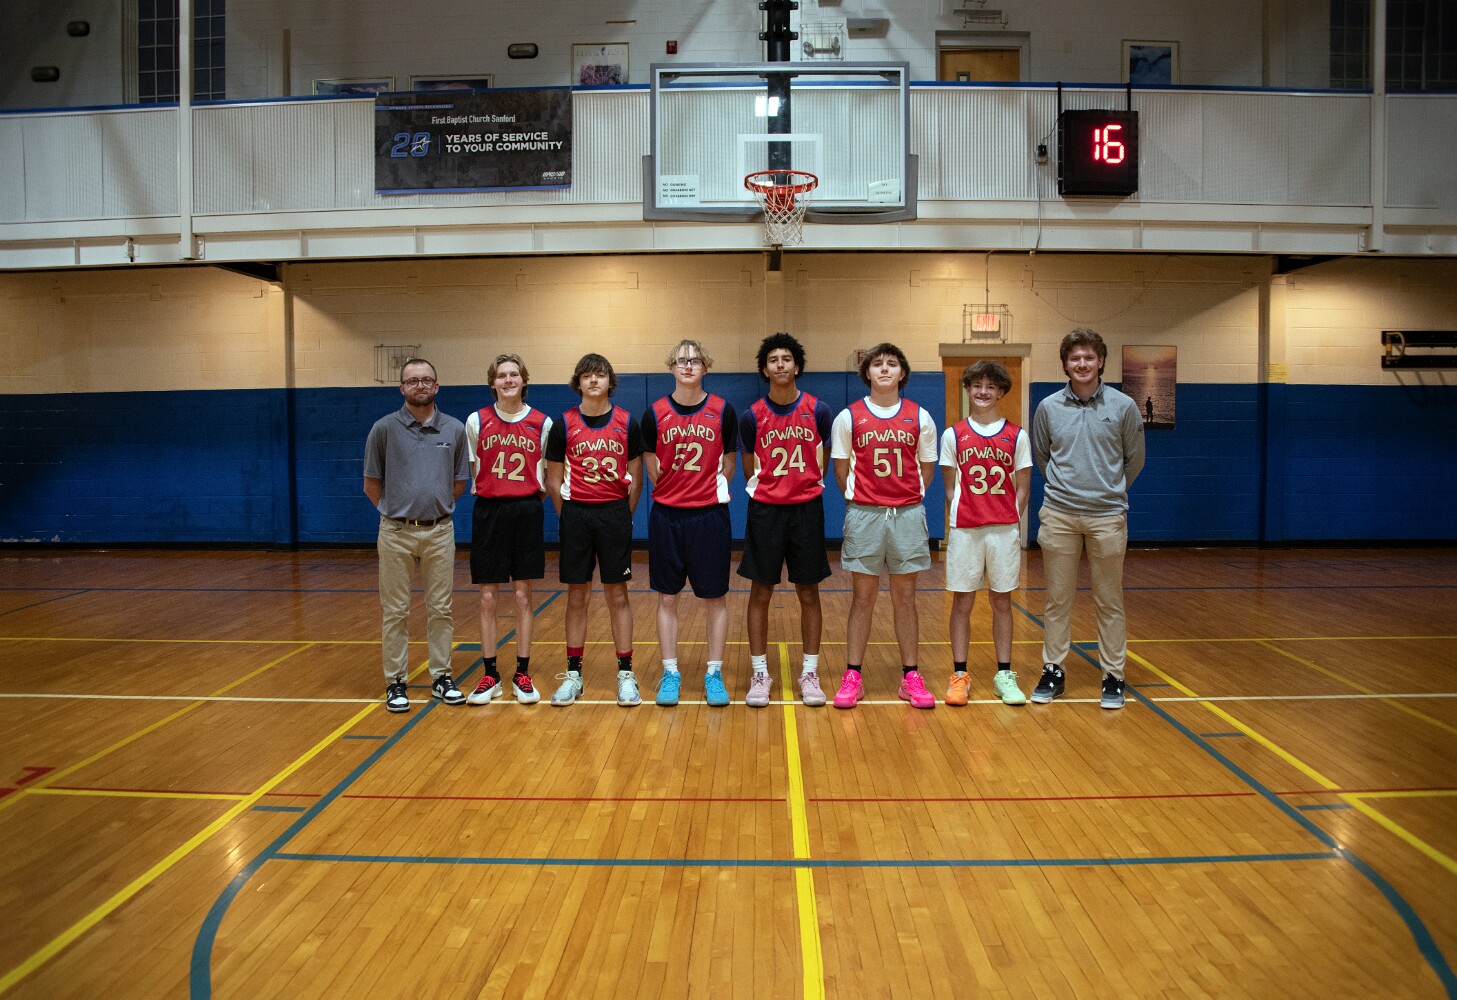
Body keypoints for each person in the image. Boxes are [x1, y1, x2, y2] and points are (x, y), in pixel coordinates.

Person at [1031, 328, 1146, 710]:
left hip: (1107, 518)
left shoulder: (1124, 406)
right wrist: (1066, 491)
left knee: (1109, 600)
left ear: (1101, 362)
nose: (1082, 364)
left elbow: (1135, 459)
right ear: (1065, 364)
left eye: (1089, 357)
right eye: (1075, 358)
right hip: (1059, 516)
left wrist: (1108, 491)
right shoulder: (1048, 407)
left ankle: (1113, 675)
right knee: (1057, 600)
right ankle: (1053, 670)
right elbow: (1043, 456)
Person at [830, 342, 939, 710]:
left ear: (902, 373)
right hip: (864, 514)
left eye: (892, 363)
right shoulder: (849, 417)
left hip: (907, 514)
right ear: (868, 373)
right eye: (877, 364)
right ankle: (853, 676)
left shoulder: (920, 416)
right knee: (862, 598)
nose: (885, 369)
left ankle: (911, 676)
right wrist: (861, 501)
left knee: (905, 599)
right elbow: (841, 468)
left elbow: (927, 468)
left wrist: (907, 497)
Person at [363, 358, 471, 713]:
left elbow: (459, 483)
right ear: (402, 388)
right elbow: (371, 484)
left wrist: (433, 510)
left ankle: (442, 677)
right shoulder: (383, 429)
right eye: (413, 381)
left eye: (426, 380)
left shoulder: (454, 429)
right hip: (395, 533)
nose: (420, 385)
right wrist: (396, 514)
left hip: (440, 532)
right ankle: (396, 682)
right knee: (395, 611)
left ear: (436, 386)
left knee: (441, 609)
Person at [737, 333, 834, 707]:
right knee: (760, 591)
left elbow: (824, 461)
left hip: (806, 509)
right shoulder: (751, 416)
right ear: (765, 369)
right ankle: (760, 673)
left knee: (809, 591)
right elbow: (749, 468)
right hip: (766, 511)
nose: (780, 364)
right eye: (773, 359)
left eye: (786, 358)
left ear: (797, 366)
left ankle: (810, 672)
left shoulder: (818, 410)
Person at [642, 340, 738, 708]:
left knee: (715, 598)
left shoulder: (722, 410)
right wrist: (673, 490)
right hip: (667, 515)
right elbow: (651, 463)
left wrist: (706, 490)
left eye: (695, 360)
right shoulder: (655, 413)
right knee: (667, 597)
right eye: (681, 360)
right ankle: (671, 673)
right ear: (671, 367)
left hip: (709, 516)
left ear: (705, 367)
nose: (687, 365)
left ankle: (714, 673)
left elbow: (730, 461)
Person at [544, 353, 644, 707]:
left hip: (614, 513)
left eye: (599, 375)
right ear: (578, 383)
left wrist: (622, 516)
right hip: (577, 515)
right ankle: (574, 675)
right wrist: (569, 516)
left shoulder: (627, 422)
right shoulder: (563, 424)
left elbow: (636, 479)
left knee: (618, 595)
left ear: (609, 381)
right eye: (586, 375)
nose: (593, 380)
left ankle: (626, 674)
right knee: (577, 596)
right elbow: (553, 481)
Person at [940, 361, 1031, 707]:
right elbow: (950, 488)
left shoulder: (1017, 435)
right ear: (967, 389)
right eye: (977, 385)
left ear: (1001, 392)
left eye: (991, 386)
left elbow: (1023, 487)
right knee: (962, 601)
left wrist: (1007, 517)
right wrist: (966, 514)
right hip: (966, 529)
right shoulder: (953, 434)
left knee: (1002, 601)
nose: (983, 391)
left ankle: (1004, 674)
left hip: (1003, 530)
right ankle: (960, 675)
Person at [462, 353, 550, 706]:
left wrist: (525, 500)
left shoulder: (542, 423)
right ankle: (490, 675)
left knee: (523, 596)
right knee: (487, 598)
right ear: (493, 383)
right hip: (489, 512)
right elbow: (475, 470)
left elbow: (546, 476)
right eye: (502, 375)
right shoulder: (476, 420)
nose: (509, 380)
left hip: (526, 510)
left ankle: (522, 673)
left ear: (524, 380)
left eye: (514, 374)